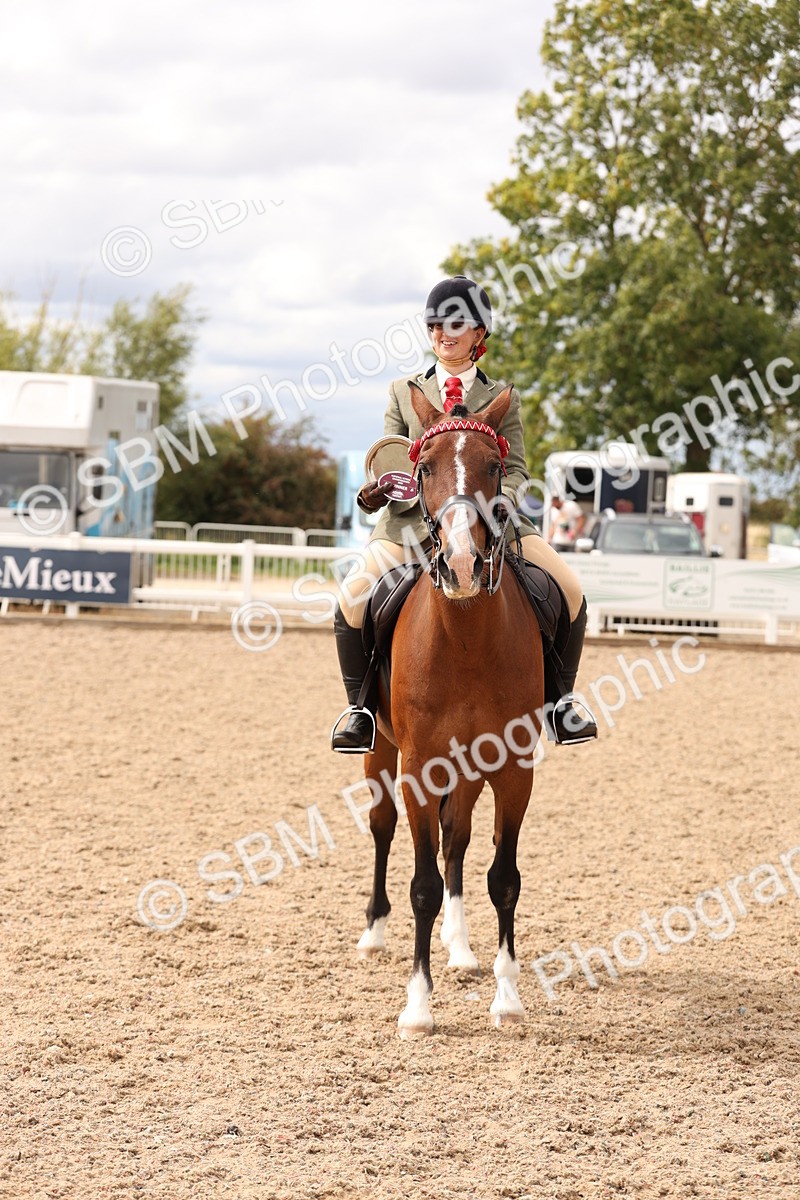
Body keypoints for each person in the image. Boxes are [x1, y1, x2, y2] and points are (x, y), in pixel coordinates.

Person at [331, 276, 597, 752]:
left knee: (572, 592)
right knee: (351, 599)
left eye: (455, 324)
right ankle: (360, 711)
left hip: (491, 525)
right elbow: (395, 458)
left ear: (480, 333)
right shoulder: (402, 391)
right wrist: (380, 490)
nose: (442, 333)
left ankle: (562, 704)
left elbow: (515, 470)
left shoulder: (503, 396)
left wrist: (497, 509)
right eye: (435, 324)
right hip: (411, 525)